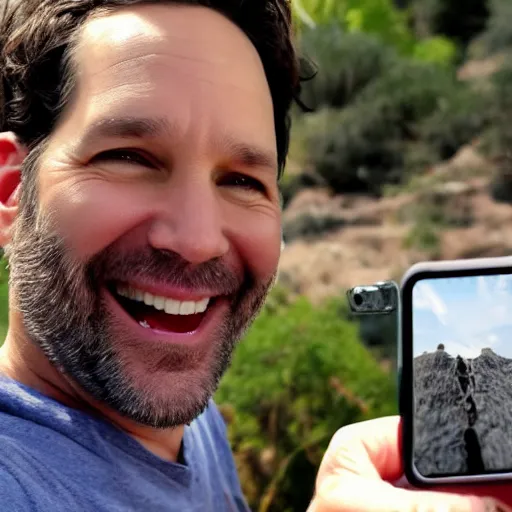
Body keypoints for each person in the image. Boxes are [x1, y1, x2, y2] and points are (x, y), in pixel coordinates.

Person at [0, 1, 510, 511]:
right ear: (11, 191)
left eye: (242, 181)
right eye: (128, 158)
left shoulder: (192, 428)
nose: (199, 240)